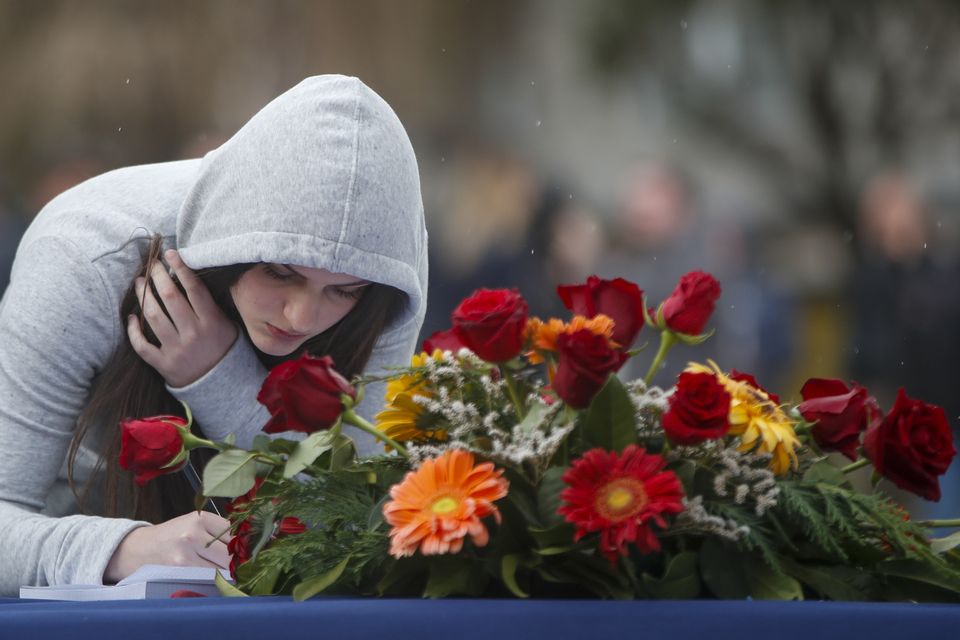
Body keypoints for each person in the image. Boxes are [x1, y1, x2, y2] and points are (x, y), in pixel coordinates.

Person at [0, 75, 428, 595]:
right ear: (233, 246)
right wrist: (124, 550)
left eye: (343, 291)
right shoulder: (81, 256)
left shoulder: (383, 268)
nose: (302, 315)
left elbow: (350, 520)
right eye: (279, 272)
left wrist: (217, 377)